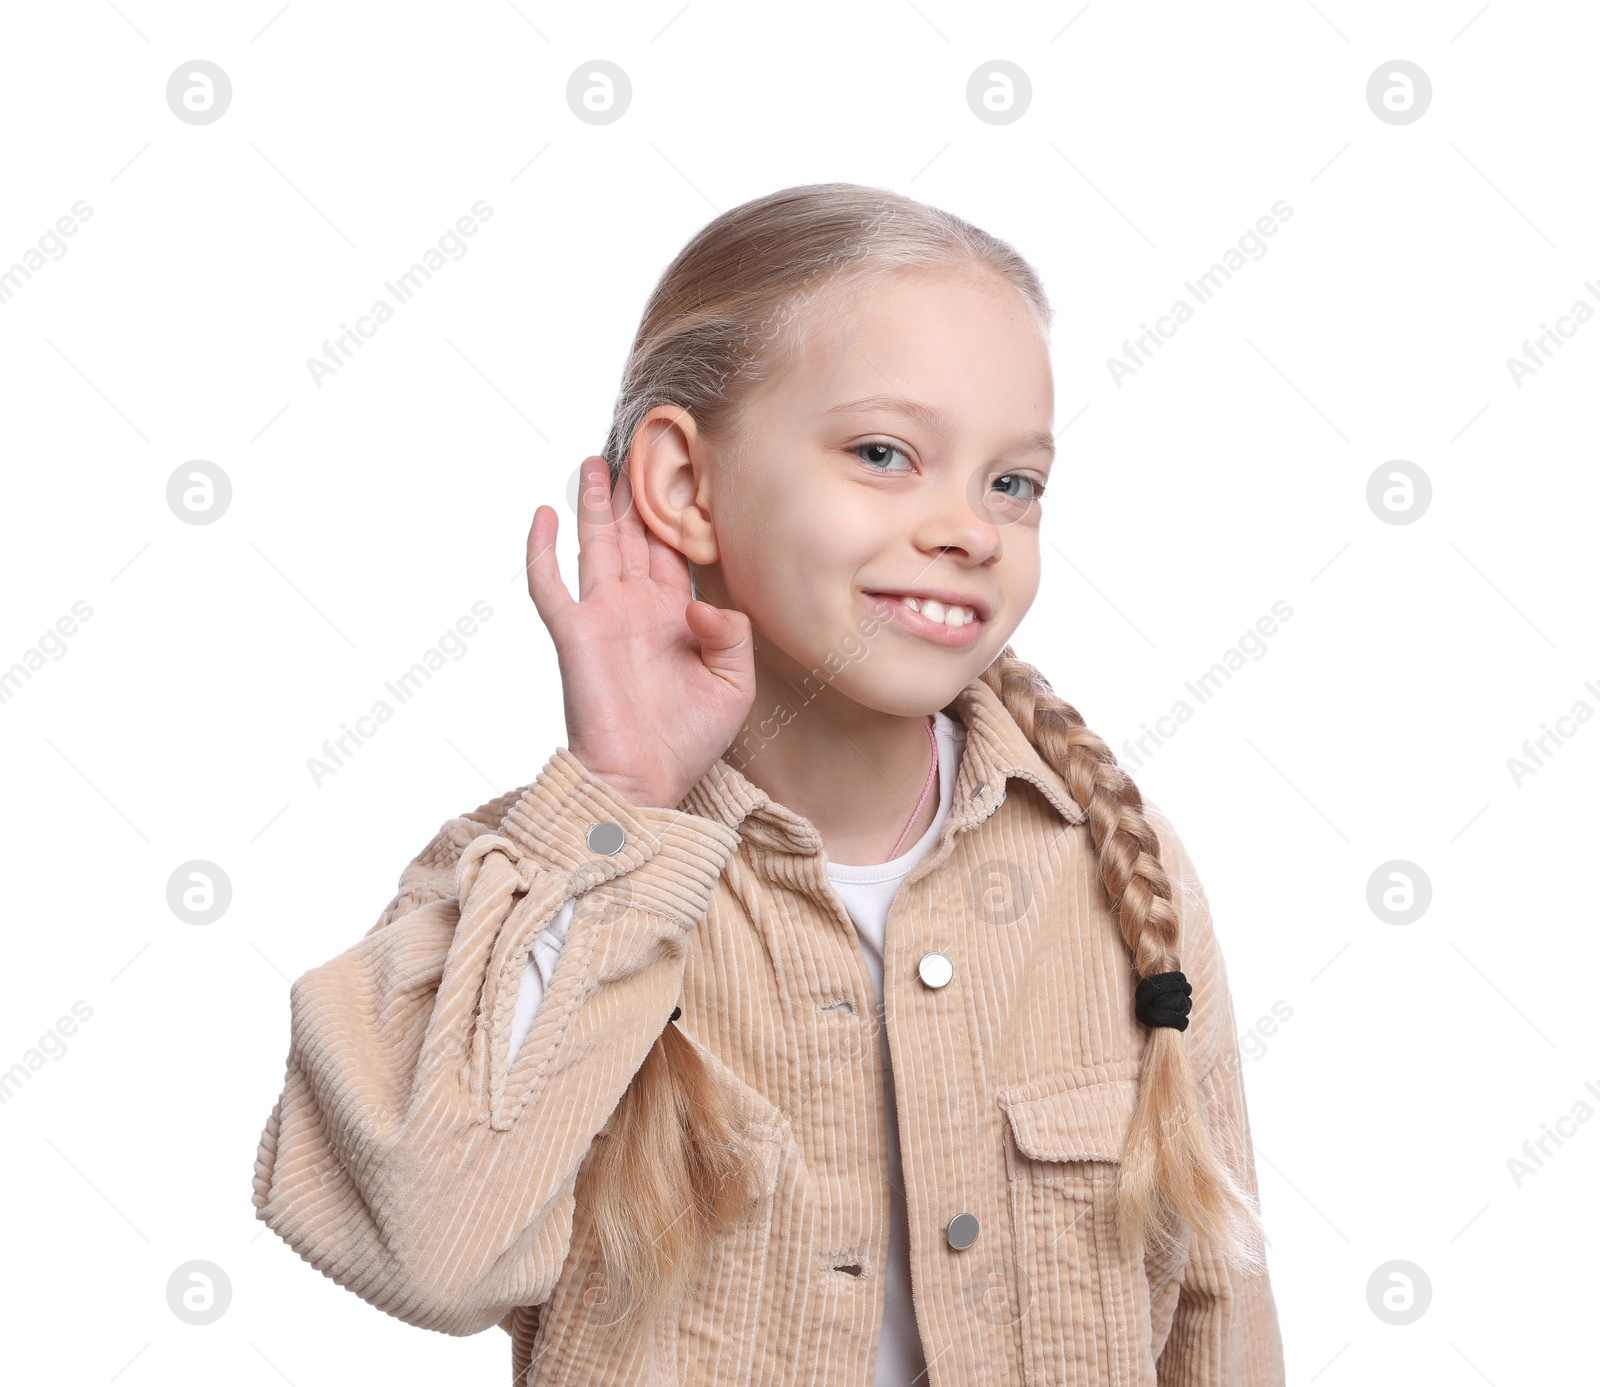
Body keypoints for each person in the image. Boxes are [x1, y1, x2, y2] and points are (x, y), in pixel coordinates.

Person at [251, 182, 1286, 1385]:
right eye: (884, 454)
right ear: (685, 485)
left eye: (1013, 482)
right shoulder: (534, 881)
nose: (969, 528)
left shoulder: (1117, 864)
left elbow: (1221, 1319)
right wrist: (621, 794)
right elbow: (429, 1251)